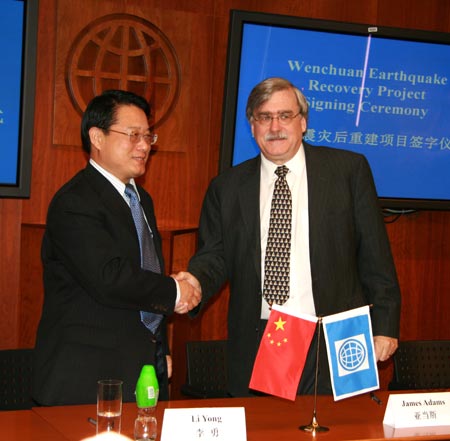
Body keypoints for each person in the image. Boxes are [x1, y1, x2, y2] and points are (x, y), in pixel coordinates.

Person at [176, 77, 401, 397]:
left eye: (285, 115)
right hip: (269, 334)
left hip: (337, 335)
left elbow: (375, 256)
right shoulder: (226, 188)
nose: (275, 126)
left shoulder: (348, 171)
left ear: (303, 122)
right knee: (267, 430)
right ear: (252, 126)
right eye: (264, 117)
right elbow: (215, 255)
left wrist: (384, 326)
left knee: (342, 430)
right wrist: (195, 283)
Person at [32, 89, 201, 406]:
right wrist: (175, 292)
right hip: (84, 381)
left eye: (148, 136)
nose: (144, 146)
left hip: (138, 372)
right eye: (133, 135)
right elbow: (109, 278)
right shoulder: (74, 201)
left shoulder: (140, 199)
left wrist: (157, 351)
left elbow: (142, 275)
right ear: (97, 137)